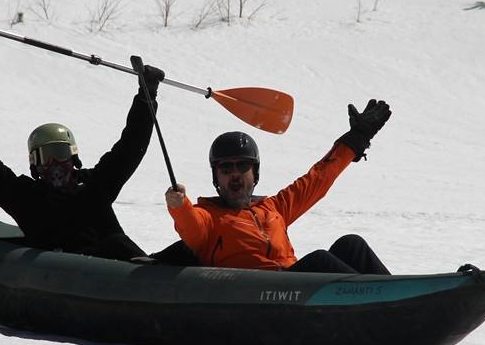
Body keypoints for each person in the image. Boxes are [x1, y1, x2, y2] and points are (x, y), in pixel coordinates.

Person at [0, 64, 164, 260]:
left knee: (125, 244)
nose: (55, 163)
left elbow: (130, 148)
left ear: (74, 157)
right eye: (45, 156)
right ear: (35, 165)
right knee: (115, 243)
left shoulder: (95, 186)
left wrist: (146, 96)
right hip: (68, 279)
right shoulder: (27, 197)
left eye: (60, 153)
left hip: (122, 268)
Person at [164, 99, 393, 273]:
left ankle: (399, 298)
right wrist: (179, 205)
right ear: (216, 177)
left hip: (293, 288)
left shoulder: (275, 208)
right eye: (225, 168)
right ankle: (376, 303)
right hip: (261, 295)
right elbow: (190, 224)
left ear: (255, 173)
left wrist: (355, 139)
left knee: (351, 244)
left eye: (243, 166)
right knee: (319, 261)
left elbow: (318, 179)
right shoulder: (208, 218)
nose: (234, 174)